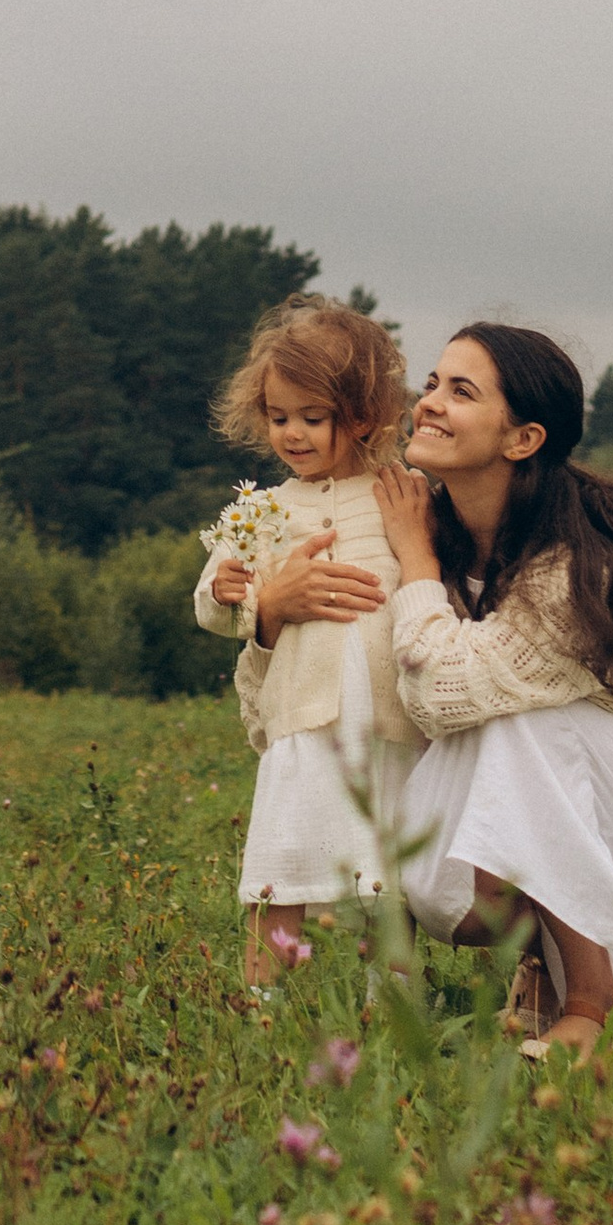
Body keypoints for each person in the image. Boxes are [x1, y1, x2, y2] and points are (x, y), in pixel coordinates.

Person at [371, 324, 613, 1057]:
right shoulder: (425, 527)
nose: (431, 405)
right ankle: (520, 967)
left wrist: (413, 559)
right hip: (515, 821)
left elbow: (443, 691)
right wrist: (262, 610)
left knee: (523, 721)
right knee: (455, 741)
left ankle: (590, 1005)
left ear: (523, 438)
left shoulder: (575, 564)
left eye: (462, 392)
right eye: (434, 384)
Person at [193, 296, 417, 985]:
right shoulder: (263, 509)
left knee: (386, 867)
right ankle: (264, 997)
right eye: (279, 417)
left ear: (362, 417)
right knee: (282, 860)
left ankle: (393, 998)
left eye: (312, 418)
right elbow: (213, 605)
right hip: (302, 714)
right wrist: (242, 594)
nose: (292, 434)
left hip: (385, 716)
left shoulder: (399, 495)